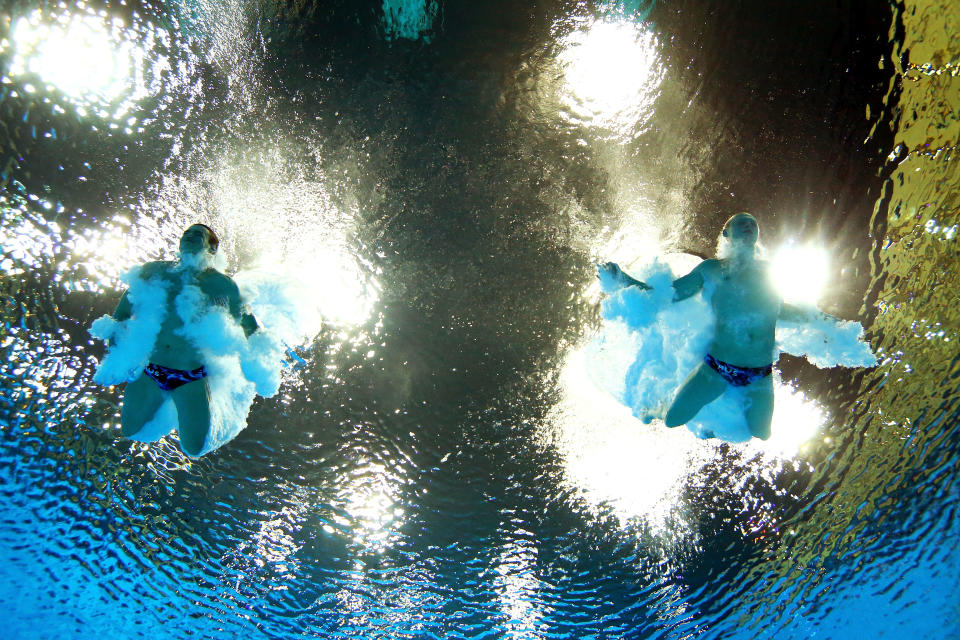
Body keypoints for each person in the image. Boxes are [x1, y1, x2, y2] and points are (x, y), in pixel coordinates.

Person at [599, 212, 833, 440]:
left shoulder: (768, 271)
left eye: (752, 223)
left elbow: (779, 310)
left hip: (759, 373)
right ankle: (662, 408)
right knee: (672, 420)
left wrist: (824, 322)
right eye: (741, 222)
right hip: (718, 368)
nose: (748, 225)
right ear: (726, 234)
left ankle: (714, 422)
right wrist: (622, 279)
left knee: (761, 434)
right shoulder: (712, 269)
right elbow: (669, 294)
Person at [110, 224, 258, 455]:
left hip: (190, 377)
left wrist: (258, 362)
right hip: (151, 370)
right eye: (187, 233)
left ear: (211, 249)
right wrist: (117, 348)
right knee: (130, 431)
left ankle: (175, 409)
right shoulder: (154, 271)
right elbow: (122, 313)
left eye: (197, 235)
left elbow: (248, 326)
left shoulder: (221, 285)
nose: (189, 236)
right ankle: (165, 411)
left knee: (193, 447)